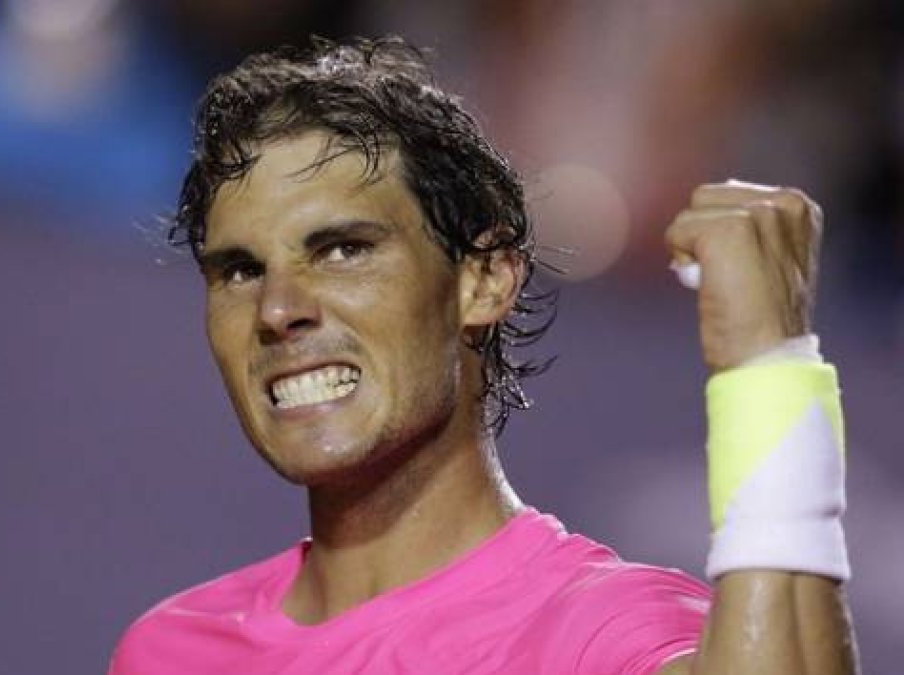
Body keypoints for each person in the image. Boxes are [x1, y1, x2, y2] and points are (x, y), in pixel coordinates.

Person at [109, 37, 858, 674]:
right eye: (241, 270)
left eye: (342, 250)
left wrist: (767, 362)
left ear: (485, 280)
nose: (277, 309)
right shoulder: (170, 651)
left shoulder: (601, 632)